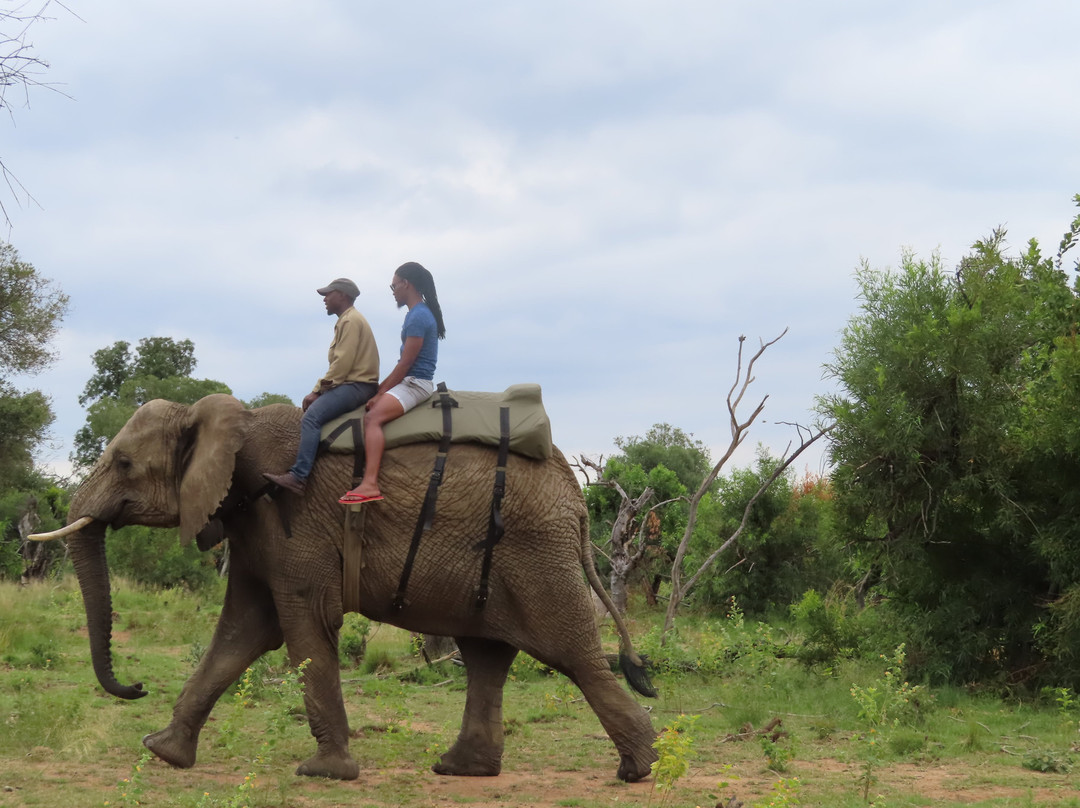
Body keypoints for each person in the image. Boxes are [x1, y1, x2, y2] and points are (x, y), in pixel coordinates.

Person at [339, 261, 445, 504]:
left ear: (406, 284)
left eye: (393, 286)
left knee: (373, 417)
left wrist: (380, 393)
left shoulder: (418, 316)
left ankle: (370, 483)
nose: (393, 291)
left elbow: (406, 364)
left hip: (416, 383)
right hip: (409, 380)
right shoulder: (417, 313)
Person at [264, 278, 380, 496]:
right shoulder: (348, 320)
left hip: (357, 386)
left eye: (329, 294)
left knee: (311, 418)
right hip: (355, 384)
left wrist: (317, 390)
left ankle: (299, 477)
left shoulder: (350, 321)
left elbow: (342, 365)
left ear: (343, 296)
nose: (325, 299)